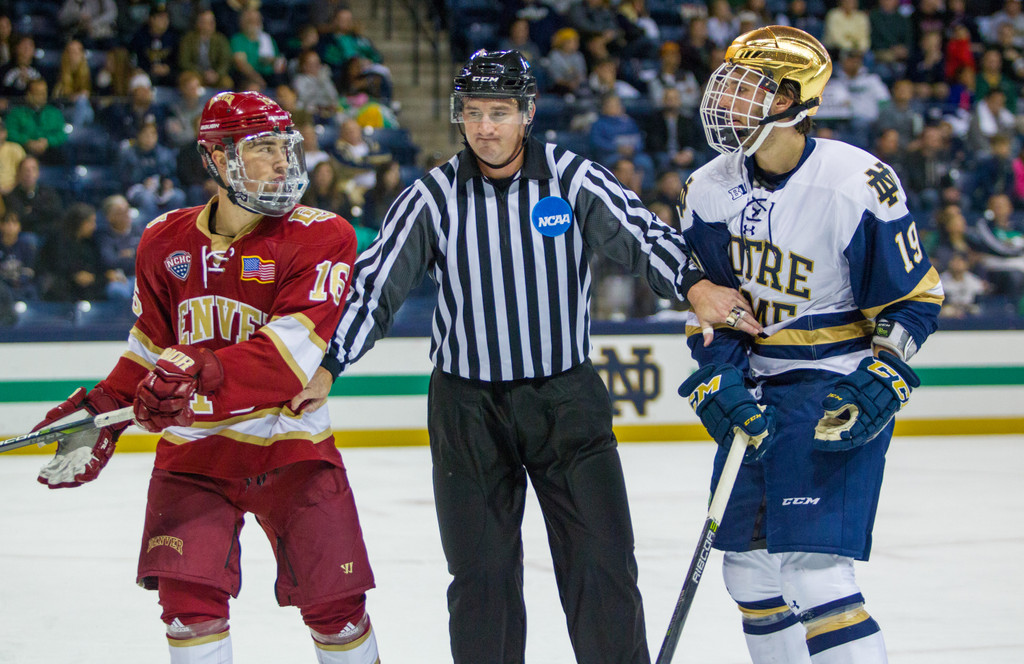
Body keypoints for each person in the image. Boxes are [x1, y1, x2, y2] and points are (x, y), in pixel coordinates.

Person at [289, 49, 761, 664]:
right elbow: (374, 287)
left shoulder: (575, 180)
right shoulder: (429, 198)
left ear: (528, 113)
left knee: (602, 567)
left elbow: (646, 237)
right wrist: (330, 366)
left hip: (566, 404)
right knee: (481, 580)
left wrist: (695, 286)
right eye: (475, 113)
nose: (486, 127)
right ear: (460, 116)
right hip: (467, 411)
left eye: (501, 112)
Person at [30, 91, 380, 664]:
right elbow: (146, 353)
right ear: (217, 160)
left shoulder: (323, 235)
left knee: (336, 610)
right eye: (262, 149)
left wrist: (199, 367)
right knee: (190, 611)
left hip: (288, 447)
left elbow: (290, 355)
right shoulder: (163, 239)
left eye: (284, 148)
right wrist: (100, 411)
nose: (283, 163)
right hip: (194, 455)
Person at [676, 27, 943, 662]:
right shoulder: (705, 190)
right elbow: (711, 305)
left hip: (833, 384)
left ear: (794, 99)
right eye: (730, 82)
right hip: (760, 386)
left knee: (815, 576)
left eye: (749, 86)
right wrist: (719, 375)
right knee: (749, 574)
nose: (729, 97)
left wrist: (883, 372)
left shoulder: (857, 182)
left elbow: (914, 297)